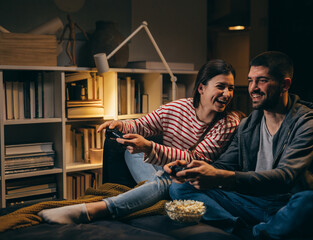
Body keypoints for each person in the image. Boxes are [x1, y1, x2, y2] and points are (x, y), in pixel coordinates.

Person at [38, 59, 242, 224]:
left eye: (231, 88)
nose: (227, 94)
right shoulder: (178, 108)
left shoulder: (228, 121)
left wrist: (150, 146)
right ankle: (156, 191)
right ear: (201, 88)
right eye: (221, 87)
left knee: (168, 180)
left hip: (191, 179)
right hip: (164, 169)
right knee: (133, 152)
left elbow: (195, 158)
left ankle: (93, 210)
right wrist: (121, 126)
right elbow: (143, 124)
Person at [166, 51, 313, 239]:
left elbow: (286, 176)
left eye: (262, 80)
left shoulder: (308, 122)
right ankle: (242, 229)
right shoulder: (248, 124)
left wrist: (222, 176)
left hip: (289, 203)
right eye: (250, 80)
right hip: (253, 202)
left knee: (311, 201)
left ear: (284, 85)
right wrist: (191, 169)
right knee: (179, 187)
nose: (252, 88)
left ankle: (259, 231)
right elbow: (224, 165)